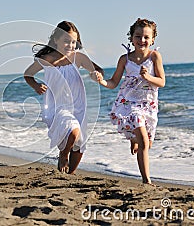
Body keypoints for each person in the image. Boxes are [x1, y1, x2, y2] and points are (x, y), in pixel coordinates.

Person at [24, 21, 103, 174]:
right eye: (66, 41)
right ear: (56, 40)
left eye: (74, 42)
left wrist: (96, 75)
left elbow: (97, 70)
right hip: (58, 106)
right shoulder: (47, 58)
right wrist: (35, 85)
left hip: (79, 105)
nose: (70, 45)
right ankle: (63, 153)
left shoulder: (78, 58)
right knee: (73, 130)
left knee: (80, 143)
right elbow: (28, 74)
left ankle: (69, 175)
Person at [95, 18, 165, 185]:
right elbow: (113, 83)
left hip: (149, 105)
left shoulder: (154, 56)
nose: (142, 40)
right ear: (131, 38)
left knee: (147, 143)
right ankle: (146, 180)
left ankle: (135, 139)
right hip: (129, 103)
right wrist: (101, 81)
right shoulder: (124, 59)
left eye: (146, 37)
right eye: (138, 36)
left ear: (153, 39)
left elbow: (162, 82)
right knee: (144, 140)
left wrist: (148, 77)